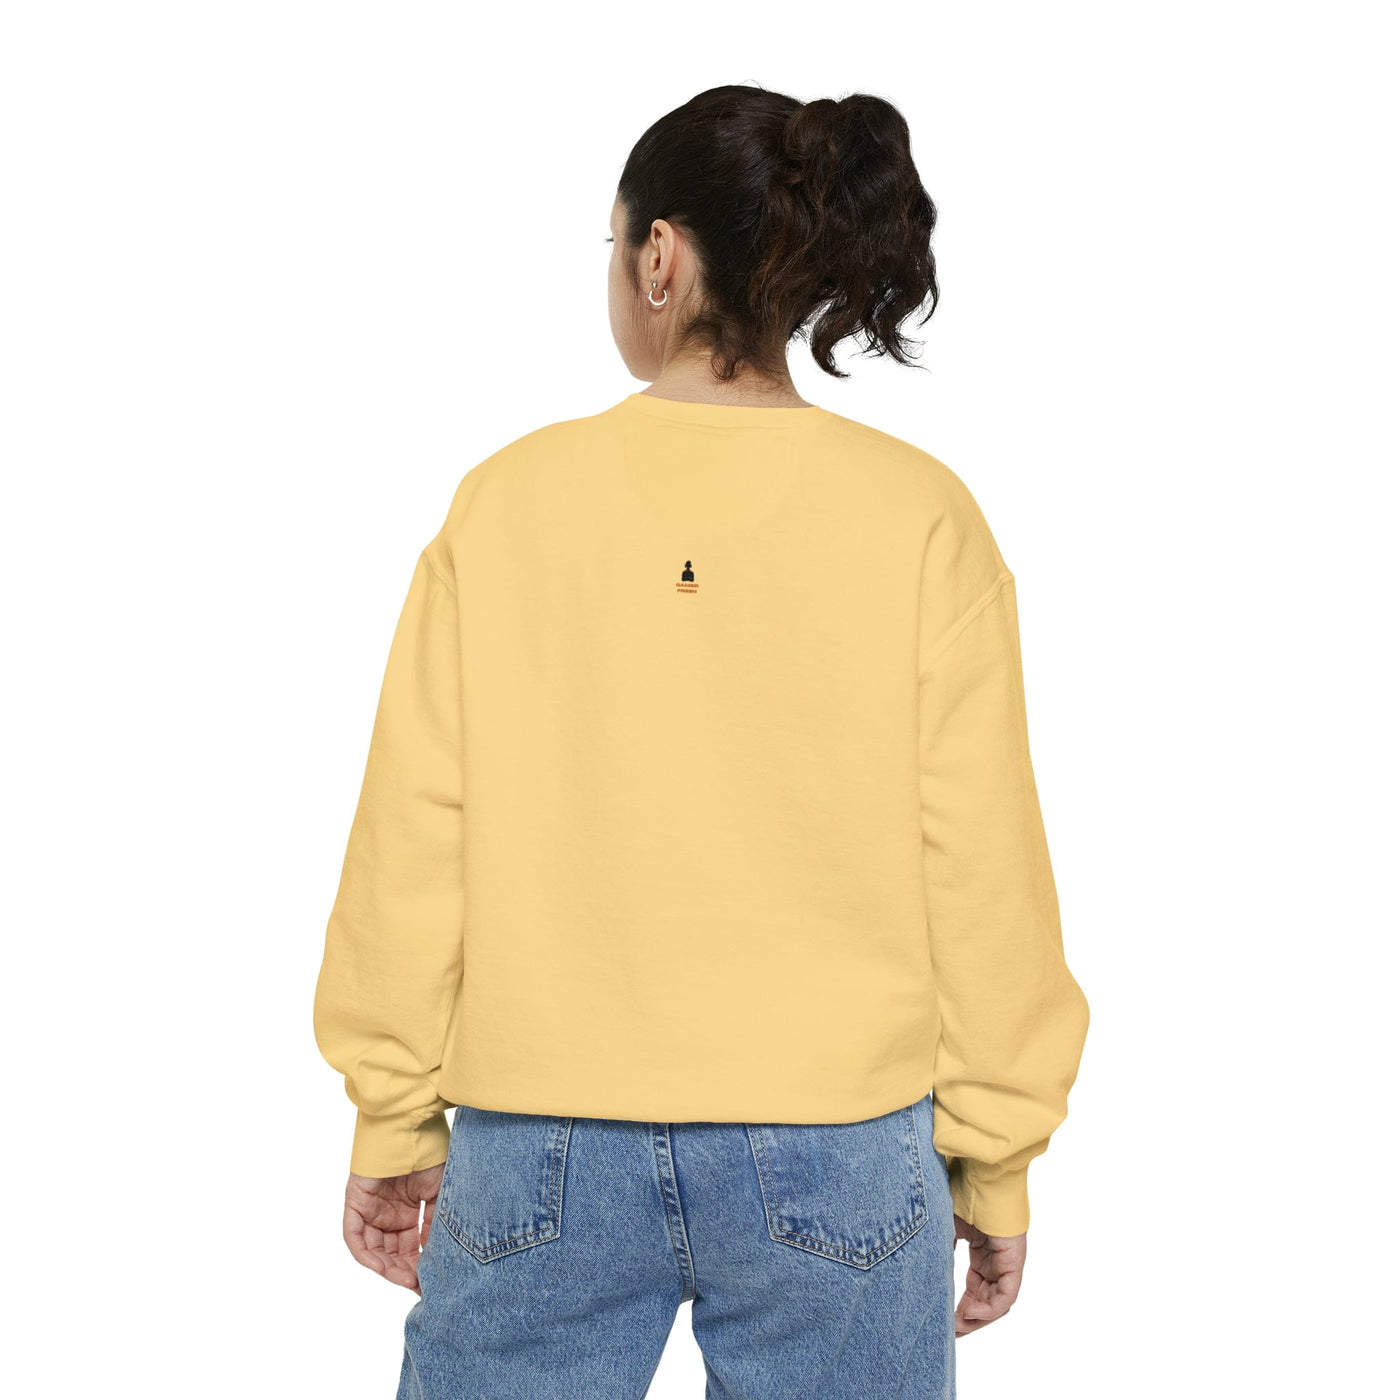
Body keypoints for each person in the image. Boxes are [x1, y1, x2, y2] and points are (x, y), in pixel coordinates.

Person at [314, 84, 1089, 1400]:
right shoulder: (921, 517)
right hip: (843, 1140)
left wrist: (392, 1113)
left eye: (612, 245)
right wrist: (998, 1158)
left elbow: (415, 832)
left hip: (542, 1138)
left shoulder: (506, 504)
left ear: (658, 257)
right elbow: (981, 864)